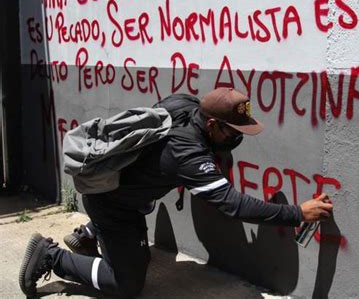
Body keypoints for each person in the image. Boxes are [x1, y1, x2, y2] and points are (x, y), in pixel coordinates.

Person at [19, 88, 334, 298]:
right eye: (232, 131)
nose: (238, 138)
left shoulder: (185, 105)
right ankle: (50, 256)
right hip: (112, 205)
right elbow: (233, 205)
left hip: (124, 197)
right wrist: (297, 213)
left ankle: (93, 234)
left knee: (139, 256)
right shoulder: (187, 152)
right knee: (126, 284)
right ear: (211, 124)